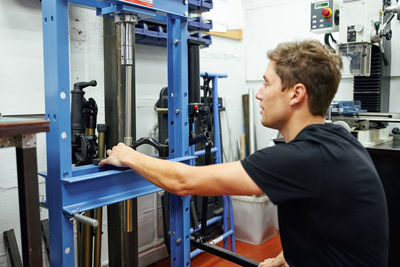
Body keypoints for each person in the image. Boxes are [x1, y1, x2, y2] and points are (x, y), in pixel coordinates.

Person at [99, 40, 389, 267]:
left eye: (266, 83)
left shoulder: (306, 158)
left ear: (296, 94)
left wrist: (128, 155)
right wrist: (292, 255)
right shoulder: (337, 140)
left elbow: (183, 182)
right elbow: (330, 222)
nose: (259, 94)